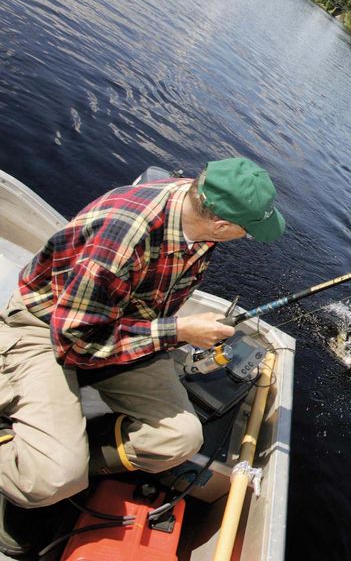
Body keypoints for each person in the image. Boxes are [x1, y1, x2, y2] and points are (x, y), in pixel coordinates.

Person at [0, 157, 285, 556]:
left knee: (179, 439)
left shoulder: (196, 212)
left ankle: (71, 461)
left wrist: (173, 332)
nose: (247, 238)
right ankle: (39, 464)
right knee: (48, 480)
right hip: (47, 330)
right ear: (221, 224)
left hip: (120, 331)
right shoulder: (123, 236)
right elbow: (73, 342)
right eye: (248, 231)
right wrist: (179, 332)